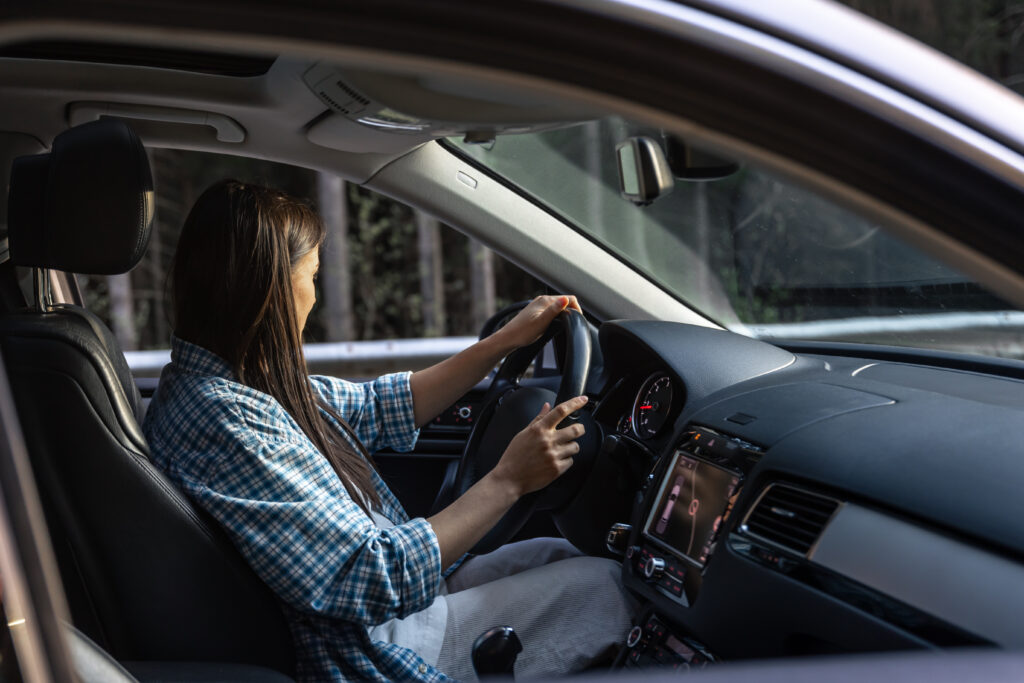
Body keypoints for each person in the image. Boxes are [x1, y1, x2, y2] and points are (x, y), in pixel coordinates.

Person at [143, 180, 635, 682]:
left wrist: (502, 344)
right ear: (271, 289)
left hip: (398, 610)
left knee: (559, 554)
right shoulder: (231, 423)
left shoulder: (233, 383)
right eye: (312, 274)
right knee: (612, 586)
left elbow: (379, 407)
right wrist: (509, 479)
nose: (315, 293)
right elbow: (370, 575)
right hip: (377, 645)